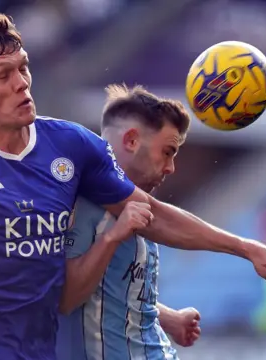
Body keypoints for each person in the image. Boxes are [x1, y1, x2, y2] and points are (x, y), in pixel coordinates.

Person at [0, 11, 266, 360]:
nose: (22, 82)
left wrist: (248, 250)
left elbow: (149, 217)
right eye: (3, 75)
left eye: (24, 67)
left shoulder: (70, 145)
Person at [57, 84, 201, 360]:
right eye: (168, 152)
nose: (171, 168)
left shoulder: (137, 206)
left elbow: (109, 292)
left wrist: (167, 317)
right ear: (132, 140)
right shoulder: (82, 204)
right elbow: (65, 297)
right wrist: (111, 239)